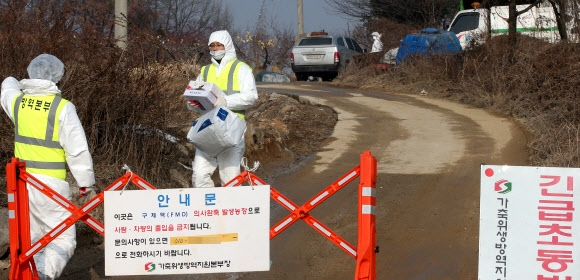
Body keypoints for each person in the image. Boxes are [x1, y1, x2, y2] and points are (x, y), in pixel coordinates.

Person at [1, 54, 96, 280]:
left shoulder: (18, 103)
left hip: (22, 185)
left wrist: (15, 79)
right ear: (58, 77)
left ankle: (28, 274)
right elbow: (77, 149)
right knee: (63, 237)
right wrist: (86, 183)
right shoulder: (62, 107)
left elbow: (7, 87)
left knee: (32, 237)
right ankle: (41, 275)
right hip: (51, 186)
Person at [187, 30, 258, 188]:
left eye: (219, 45)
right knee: (199, 175)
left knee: (230, 179)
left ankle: (231, 210)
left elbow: (251, 97)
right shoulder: (205, 71)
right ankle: (208, 211)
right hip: (207, 129)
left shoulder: (241, 68)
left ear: (228, 46)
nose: (216, 48)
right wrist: (192, 104)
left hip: (232, 128)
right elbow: (196, 95)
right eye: (212, 45)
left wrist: (224, 102)